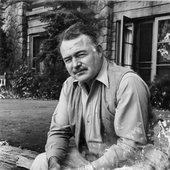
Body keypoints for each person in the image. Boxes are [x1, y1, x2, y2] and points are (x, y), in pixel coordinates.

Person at [30, 22, 150, 170]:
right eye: (68, 60)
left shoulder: (127, 83)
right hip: (88, 160)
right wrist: (53, 162)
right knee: (42, 161)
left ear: (99, 51)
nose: (75, 65)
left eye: (80, 55)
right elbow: (59, 131)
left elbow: (131, 147)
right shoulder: (69, 86)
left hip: (131, 163)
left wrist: (91, 168)